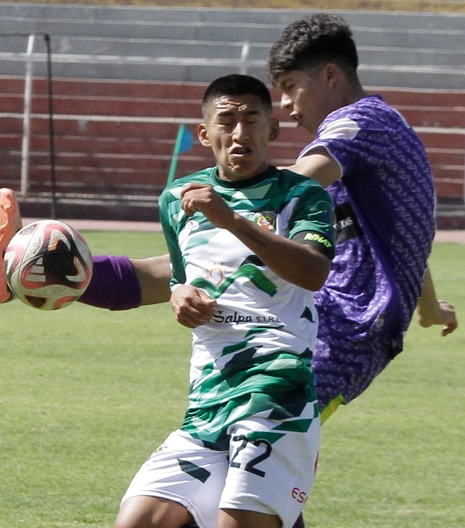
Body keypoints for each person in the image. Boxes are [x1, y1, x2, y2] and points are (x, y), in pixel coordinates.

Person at [0, 13, 457, 423]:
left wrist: (225, 195)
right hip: (321, 305)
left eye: (290, 88)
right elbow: (391, 234)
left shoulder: (358, 122)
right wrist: (427, 304)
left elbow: (291, 185)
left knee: (259, 448)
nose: (286, 106)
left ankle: (44, 264)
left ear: (330, 76)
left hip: (342, 327)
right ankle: (45, 268)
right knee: (190, 275)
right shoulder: (376, 133)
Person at [119, 73, 333, 528]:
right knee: (140, 520)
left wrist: (232, 219)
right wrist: (180, 295)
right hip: (208, 396)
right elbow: (181, 279)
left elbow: (314, 272)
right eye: (227, 120)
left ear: (272, 130)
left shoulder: (302, 196)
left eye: (252, 120)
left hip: (277, 390)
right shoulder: (177, 199)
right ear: (204, 133)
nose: (240, 133)